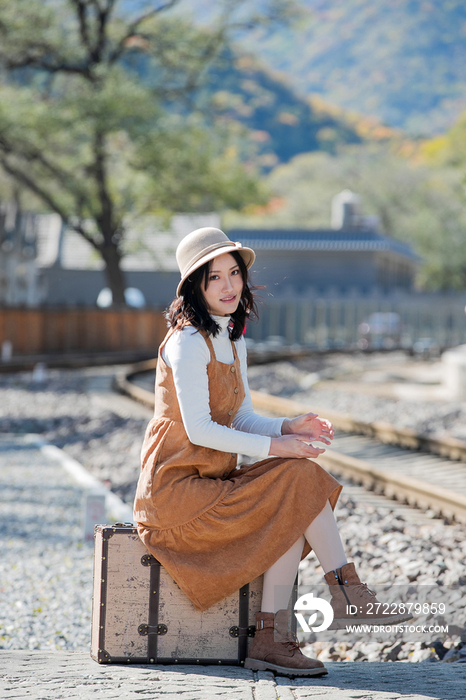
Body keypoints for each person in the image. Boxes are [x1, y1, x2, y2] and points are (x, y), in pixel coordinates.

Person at [133, 227, 410, 677]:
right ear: (194, 288)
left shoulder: (233, 339)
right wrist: (276, 445)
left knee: (297, 482)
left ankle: (276, 637)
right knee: (292, 480)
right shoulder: (186, 342)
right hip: (176, 498)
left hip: (211, 486)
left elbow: (240, 417)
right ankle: (344, 598)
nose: (228, 286)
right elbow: (202, 430)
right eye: (214, 277)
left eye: (234, 274)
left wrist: (287, 427)